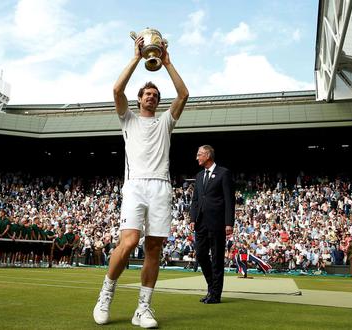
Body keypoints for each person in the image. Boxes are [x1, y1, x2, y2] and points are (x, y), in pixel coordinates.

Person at [93, 33, 188, 329]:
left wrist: (168, 63)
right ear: (139, 99)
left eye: (155, 95)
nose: (152, 96)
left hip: (160, 186)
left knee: (154, 248)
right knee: (130, 240)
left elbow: (184, 94)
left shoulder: (165, 122)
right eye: (147, 94)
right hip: (135, 185)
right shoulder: (128, 119)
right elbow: (116, 88)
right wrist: (136, 57)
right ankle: (106, 294)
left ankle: (143, 309)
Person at [189, 145, 235, 304]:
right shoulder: (199, 175)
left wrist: (229, 223)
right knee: (201, 255)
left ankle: (215, 295)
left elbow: (229, 200)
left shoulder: (224, 173)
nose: (197, 157)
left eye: (199, 154)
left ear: (208, 155)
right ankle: (211, 287)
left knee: (217, 259)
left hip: (217, 223)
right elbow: (195, 200)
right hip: (200, 223)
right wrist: (192, 219)